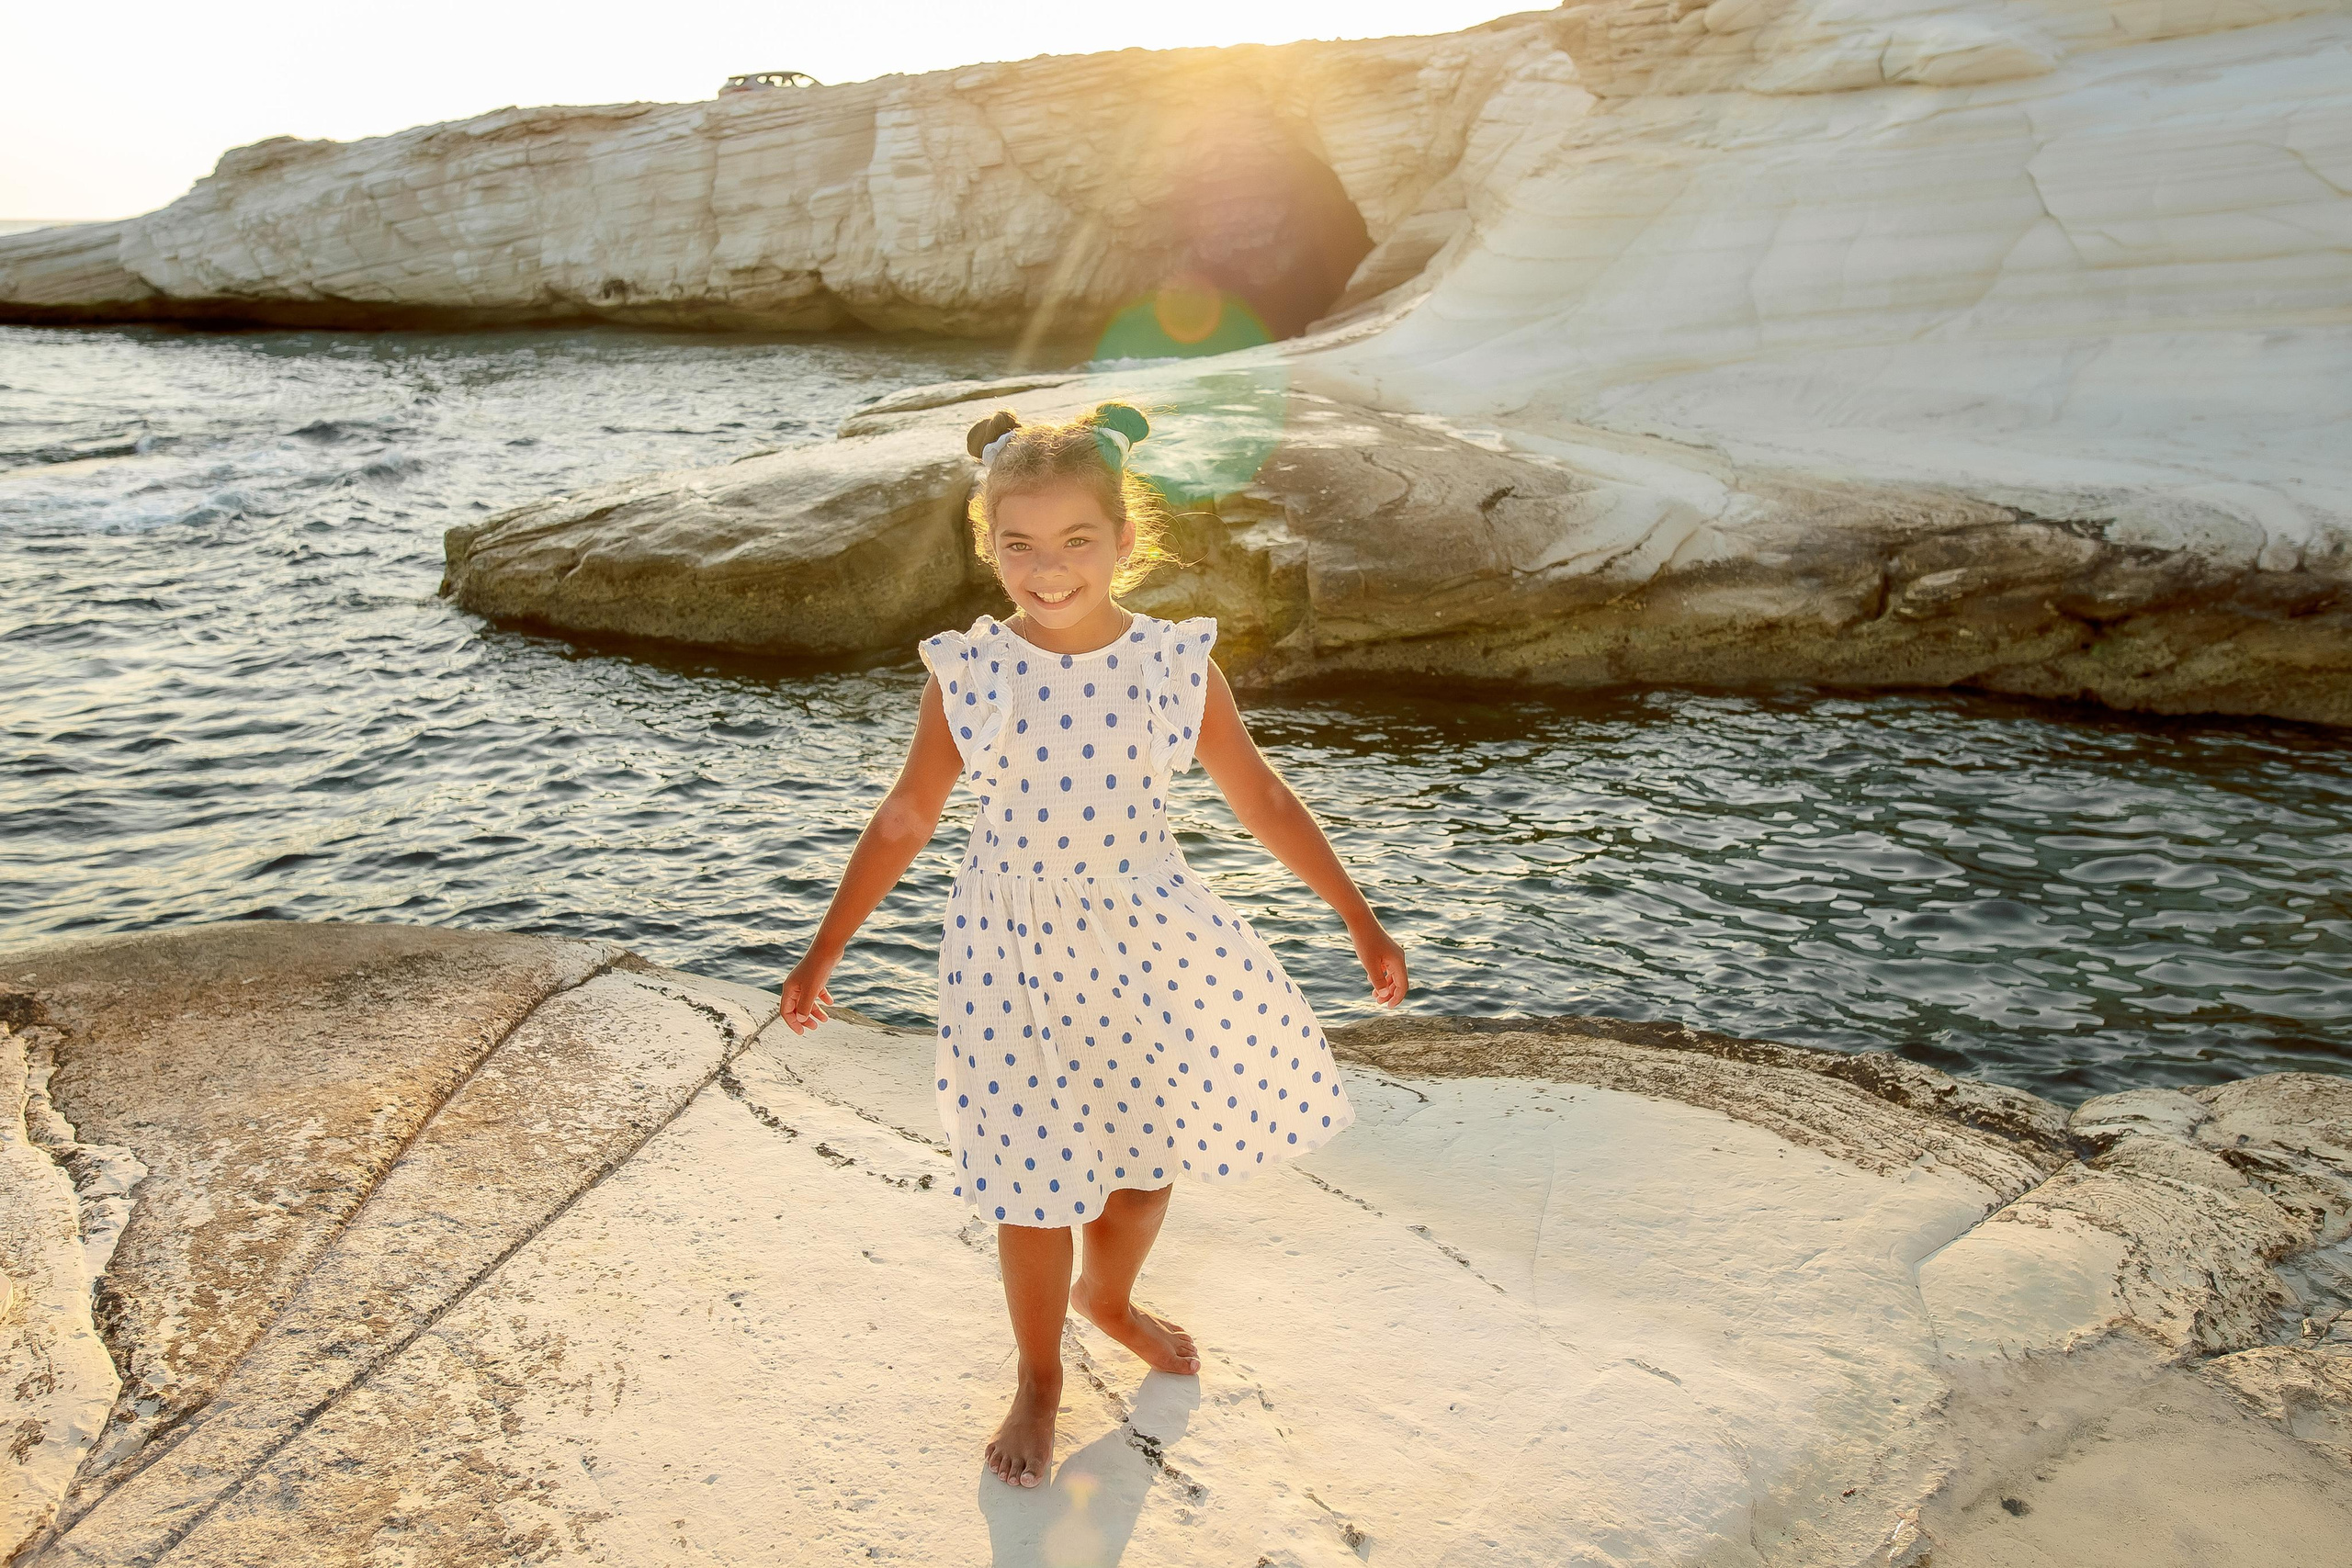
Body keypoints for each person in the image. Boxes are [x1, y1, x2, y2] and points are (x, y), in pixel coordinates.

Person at [775, 400, 1409, 1489]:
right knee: (1029, 1182)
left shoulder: (1173, 666)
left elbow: (1258, 796)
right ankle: (1038, 1377)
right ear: (989, 548)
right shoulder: (972, 673)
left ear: (1125, 540)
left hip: (1143, 941)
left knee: (1143, 1163)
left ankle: (1105, 1300)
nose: (1048, 567)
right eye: (1017, 544)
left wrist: (1357, 918)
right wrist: (822, 952)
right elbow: (905, 818)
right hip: (1005, 949)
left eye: (1076, 540)